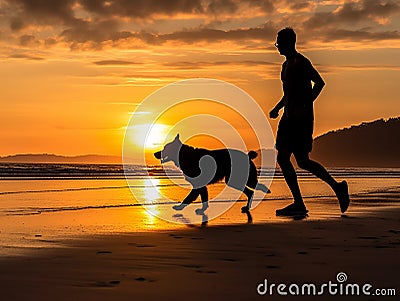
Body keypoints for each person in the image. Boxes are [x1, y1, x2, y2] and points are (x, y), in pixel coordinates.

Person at [270, 27, 350, 216]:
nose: (277, 46)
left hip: (300, 120)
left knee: (302, 161)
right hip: (287, 118)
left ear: (288, 43)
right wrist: (278, 107)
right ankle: (300, 201)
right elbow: (288, 93)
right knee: (284, 158)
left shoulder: (301, 62)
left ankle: (335, 188)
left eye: (279, 43)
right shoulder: (285, 65)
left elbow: (320, 82)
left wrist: (306, 104)